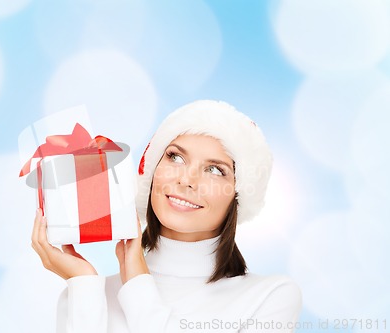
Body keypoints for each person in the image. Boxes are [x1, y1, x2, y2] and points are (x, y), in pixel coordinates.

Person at [31, 100, 302, 332]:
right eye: (176, 158)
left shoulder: (270, 297)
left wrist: (138, 283)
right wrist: (84, 284)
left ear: (238, 196)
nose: (187, 179)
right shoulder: (84, 292)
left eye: (216, 170)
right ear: (151, 172)